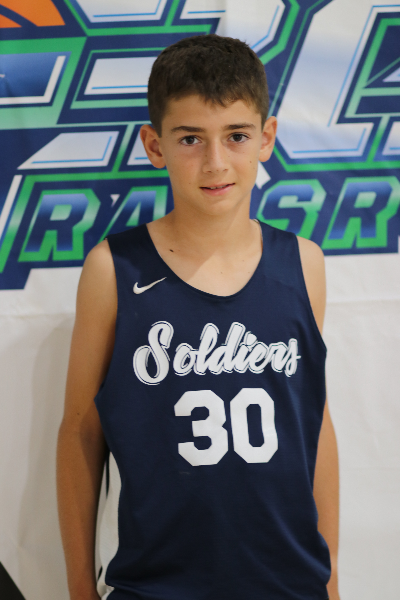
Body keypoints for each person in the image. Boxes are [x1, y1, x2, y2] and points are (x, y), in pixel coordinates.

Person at [57, 34, 340, 600]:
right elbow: (82, 433)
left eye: (236, 136)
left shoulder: (303, 263)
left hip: (289, 585)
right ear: (154, 145)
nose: (215, 162)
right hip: (156, 587)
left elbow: (314, 425)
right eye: (190, 138)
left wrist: (330, 581)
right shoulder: (114, 269)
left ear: (266, 138)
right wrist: (80, 589)